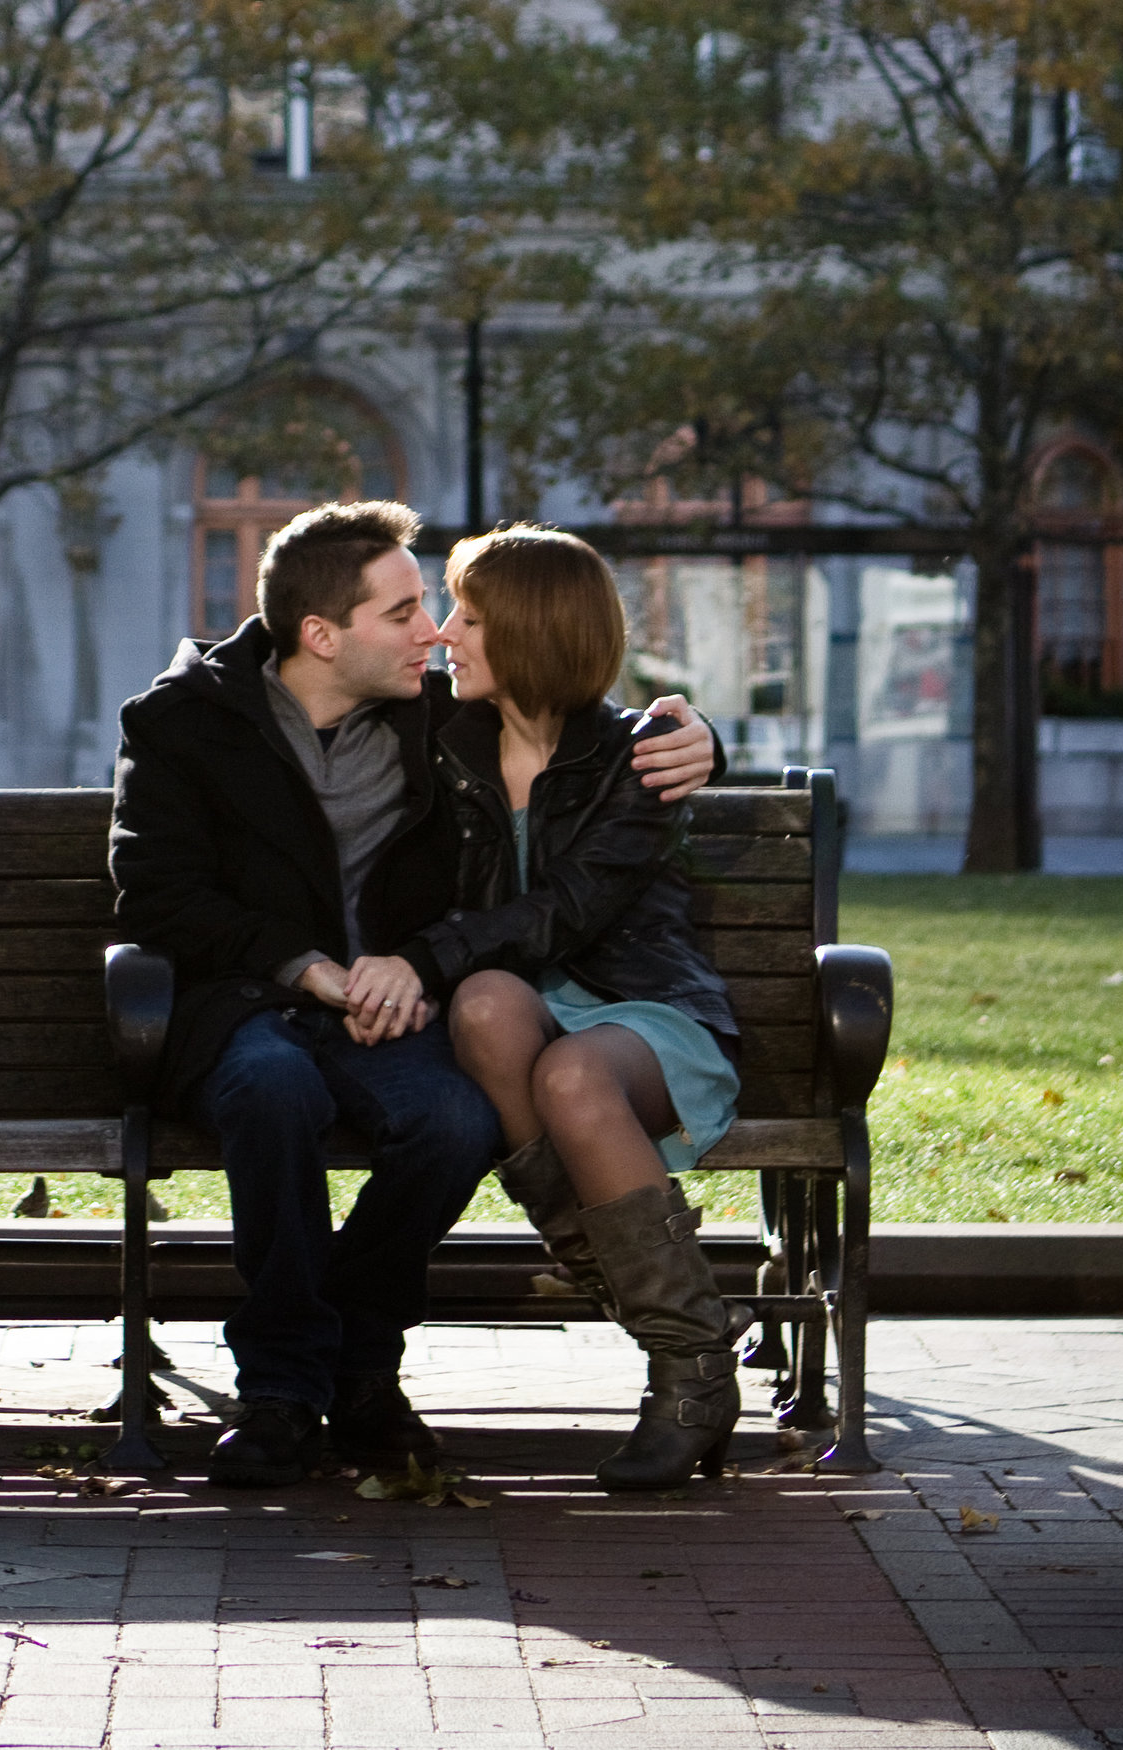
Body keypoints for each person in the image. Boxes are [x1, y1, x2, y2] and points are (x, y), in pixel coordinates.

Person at [109, 496, 719, 1489]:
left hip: (398, 1012)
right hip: (249, 1005)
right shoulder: (182, 724)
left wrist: (699, 735)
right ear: (319, 634)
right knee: (274, 1092)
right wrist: (307, 969)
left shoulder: (431, 718)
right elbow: (157, 892)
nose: (431, 632)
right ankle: (280, 1389)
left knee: (449, 1117)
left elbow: (574, 724)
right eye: (401, 612)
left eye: (437, 611)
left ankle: (353, 1357)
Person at [380, 522, 745, 1493]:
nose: (445, 633)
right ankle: (679, 1326)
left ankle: (685, 1374)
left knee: (568, 1070)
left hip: (645, 1016)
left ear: (532, 632)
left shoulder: (639, 756)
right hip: (521, 1008)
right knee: (489, 1007)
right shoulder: (437, 735)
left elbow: (573, 908)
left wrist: (708, 735)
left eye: (468, 615)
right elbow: (278, 685)